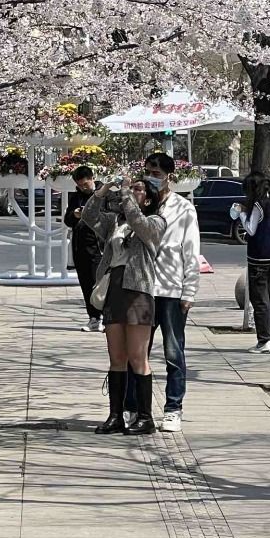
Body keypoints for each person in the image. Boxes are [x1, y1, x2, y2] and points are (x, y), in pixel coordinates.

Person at [82, 157, 200, 435]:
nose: (139, 185)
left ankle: (168, 410)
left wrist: (189, 290)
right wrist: (103, 189)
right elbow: (89, 218)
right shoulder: (118, 221)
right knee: (119, 356)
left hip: (159, 289)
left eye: (145, 182)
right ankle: (121, 412)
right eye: (144, 176)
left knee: (167, 352)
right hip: (118, 292)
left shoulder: (163, 217)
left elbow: (189, 251)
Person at [231, 171, 270, 354]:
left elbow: (251, 229)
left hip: (259, 257)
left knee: (259, 299)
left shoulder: (258, 204)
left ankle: (264, 341)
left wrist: (240, 214)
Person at [63, 165, 104, 332]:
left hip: (98, 247)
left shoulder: (103, 194)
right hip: (81, 247)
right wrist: (74, 215)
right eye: (79, 185)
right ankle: (93, 317)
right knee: (86, 283)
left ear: (92, 178)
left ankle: (104, 317)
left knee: (99, 284)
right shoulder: (76, 197)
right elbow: (67, 220)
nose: (83, 188)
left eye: (85, 184)